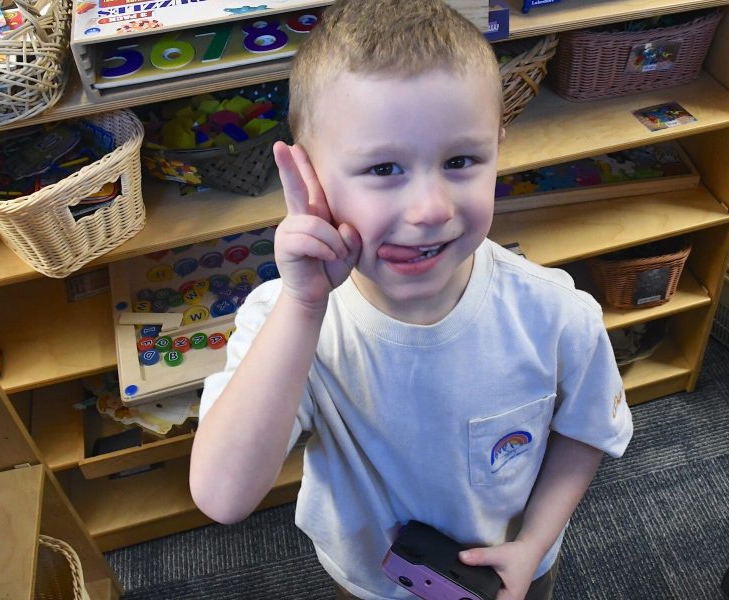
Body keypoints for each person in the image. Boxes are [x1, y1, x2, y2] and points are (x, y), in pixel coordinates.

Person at [189, 1, 634, 599]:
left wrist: (532, 544)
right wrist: (303, 308)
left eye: (460, 161)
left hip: (512, 572)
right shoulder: (288, 320)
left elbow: (584, 431)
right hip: (371, 582)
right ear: (309, 177)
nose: (430, 209)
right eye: (384, 168)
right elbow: (223, 496)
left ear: (498, 147)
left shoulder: (554, 314)